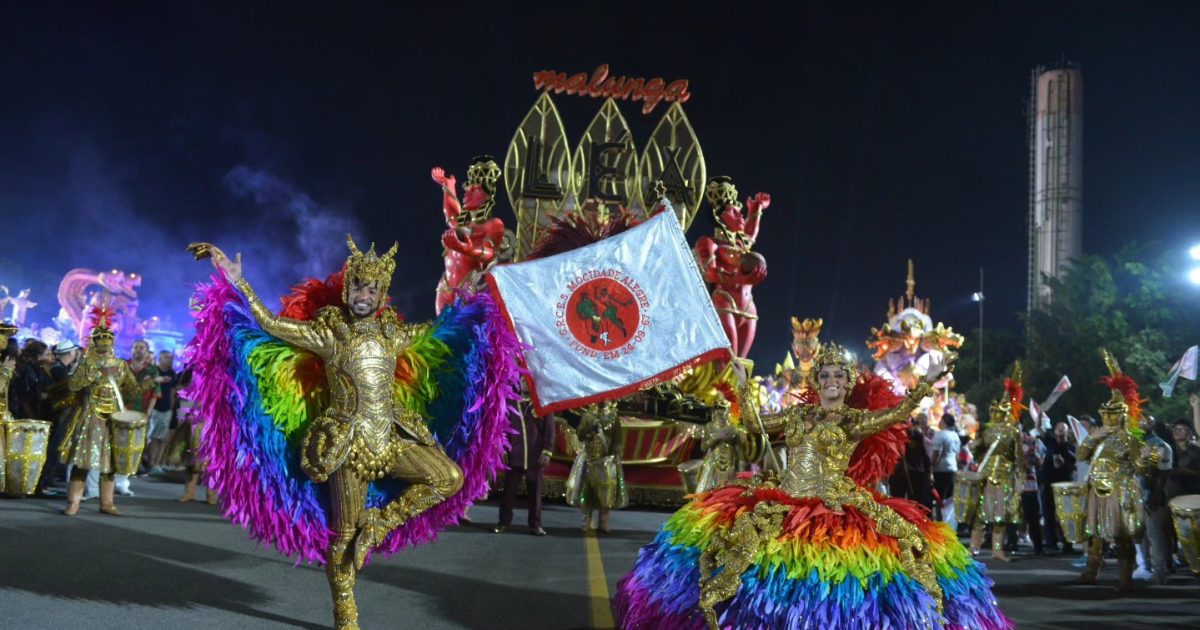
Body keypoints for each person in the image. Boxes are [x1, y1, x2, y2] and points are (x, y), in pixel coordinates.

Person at [189, 237, 519, 629]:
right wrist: (238, 282)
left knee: (448, 477)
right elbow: (271, 325)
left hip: (391, 440)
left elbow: (440, 326)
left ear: (382, 296)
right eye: (359, 287)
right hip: (346, 447)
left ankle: (379, 522)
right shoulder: (330, 336)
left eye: (373, 290)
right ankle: (345, 612)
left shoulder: (393, 336)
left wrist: (469, 293)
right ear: (348, 291)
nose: (365, 295)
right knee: (344, 537)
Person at [615, 344, 1010, 629]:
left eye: (838, 375)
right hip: (782, 502)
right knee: (739, 558)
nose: (831, 381)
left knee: (853, 573)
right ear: (816, 381)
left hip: (833, 506)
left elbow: (897, 413)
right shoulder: (798, 415)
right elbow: (753, 424)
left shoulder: (853, 420)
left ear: (848, 382)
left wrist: (927, 383)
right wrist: (742, 383)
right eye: (824, 375)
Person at [1072, 352, 1155, 592]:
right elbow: (1080, 456)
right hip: (1097, 492)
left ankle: (1125, 579)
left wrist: (1144, 458)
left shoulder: (1131, 439)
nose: (1108, 417)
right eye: (1106, 413)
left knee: (1122, 536)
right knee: (1096, 536)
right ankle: (1090, 573)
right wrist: (1092, 437)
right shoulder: (1097, 435)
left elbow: (1140, 469)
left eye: (1113, 414)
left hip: (1120, 493)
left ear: (1122, 415)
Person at [58, 310, 146, 515]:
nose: (105, 345)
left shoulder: (121, 365)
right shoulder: (87, 364)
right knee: (83, 461)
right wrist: (94, 374)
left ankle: (107, 503)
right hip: (91, 417)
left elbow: (131, 391)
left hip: (113, 420)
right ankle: (73, 503)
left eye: (108, 341)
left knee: (111, 463)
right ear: (94, 343)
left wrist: (144, 385)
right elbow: (73, 386)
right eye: (101, 341)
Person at [969, 364, 1026, 561]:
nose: (995, 414)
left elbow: (1019, 457)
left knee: (1000, 514)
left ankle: (997, 550)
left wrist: (1021, 478)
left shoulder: (1012, 432)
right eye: (992, 410)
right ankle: (973, 548)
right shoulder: (984, 429)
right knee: (981, 511)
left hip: (1005, 475)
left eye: (998, 411)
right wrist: (974, 447)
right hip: (986, 474)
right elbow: (978, 454)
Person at [494, 395, 554, 536]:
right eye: (523, 382)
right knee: (508, 493)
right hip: (515, 454)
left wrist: (547, 451)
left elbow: (549, 429)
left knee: (535, 494)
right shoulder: (510, 402)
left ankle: (535, 525)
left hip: (536, 456)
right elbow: (503, 426)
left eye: (529, 382)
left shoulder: (543, 402)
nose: (525, 384)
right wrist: (503, 448)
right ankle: (503, 522)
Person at [565, 400, 626, 533]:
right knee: (586, 491)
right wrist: (589, 431)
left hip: (606, 460)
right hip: (588, 459)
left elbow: (618, 438)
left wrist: (615, 453)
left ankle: (603, 522)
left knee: (606, 492)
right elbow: (580, 436)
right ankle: (586, 521)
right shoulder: (588, 415)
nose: (602, 400)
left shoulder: (613, 417)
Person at [1041, 420, 1077, 554]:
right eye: (1059, 427)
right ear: (1055, 430)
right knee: (1049, 514)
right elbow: (1039, 427)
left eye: (1064, 427)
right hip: (1049, 483)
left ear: (1068, 431)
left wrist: (1065, 462)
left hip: (1064, 484)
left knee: (1065, 515)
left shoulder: (1071, 446)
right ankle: (1051, 543)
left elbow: (1075, 463)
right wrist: (1040, 414)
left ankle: (1067, 544)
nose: (1061, 429)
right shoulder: (1050, 442)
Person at [889, 415, 934, 511]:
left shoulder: (916, 437)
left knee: (915, 500)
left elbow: (924, 457)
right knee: (898, 498)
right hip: (901, 473)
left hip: (915, 475)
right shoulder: (896, 438)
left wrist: (927, 473)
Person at [144, 350, 176, 473]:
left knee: (160, 438)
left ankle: (155, 463)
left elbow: (172, 391)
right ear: (160, 359)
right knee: (150, 437)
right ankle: (148, 462)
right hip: (154, 408)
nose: (170, 360)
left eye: (171, 358)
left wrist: (171, 409)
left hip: (166, 410)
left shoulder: (172, 373)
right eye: (167, 357)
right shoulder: (154, 371)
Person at [931, 413, 960, 525]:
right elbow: (957, 455)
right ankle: (949, 520)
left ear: (943, 422)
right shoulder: (955, 436)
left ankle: (940, 520)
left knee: (939, 496)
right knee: (950, 496)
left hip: (941, 469)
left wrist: (931, 467)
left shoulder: (940, 435)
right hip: (953, 468)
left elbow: (936, 454)